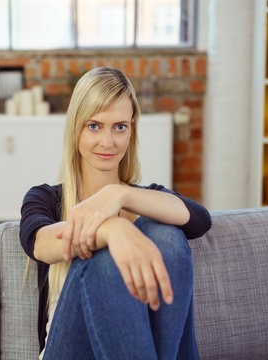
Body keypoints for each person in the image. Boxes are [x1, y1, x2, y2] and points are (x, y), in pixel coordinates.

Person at [19, 67, 211, 360]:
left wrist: (118, 194)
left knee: (167, 234)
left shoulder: (144, 199)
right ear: (76, 128)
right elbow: (40, 244)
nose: (108, 142)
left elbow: (199, 219)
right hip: (68, 350)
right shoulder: (45, 197)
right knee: (105, 257)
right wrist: (111, 230)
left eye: (120, 127)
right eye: (94, 126)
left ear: (131, 130)